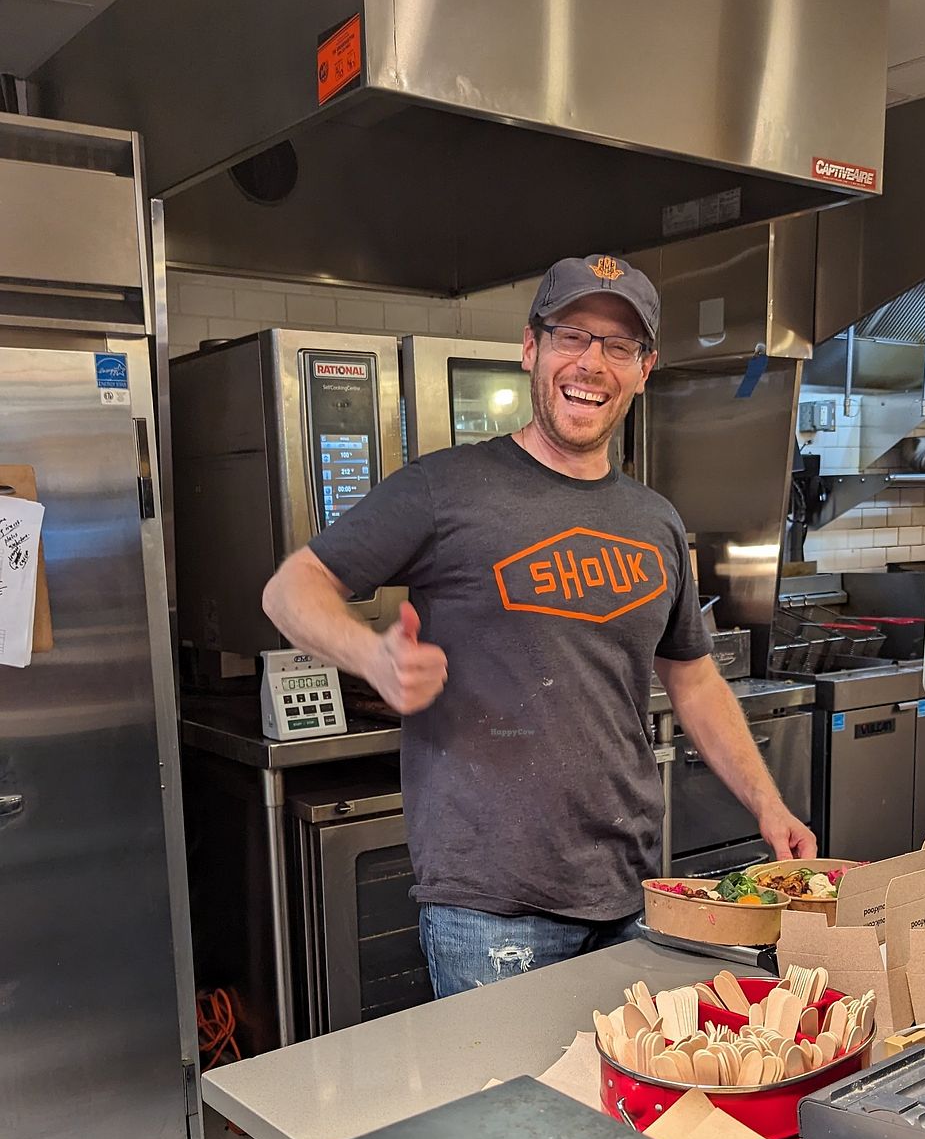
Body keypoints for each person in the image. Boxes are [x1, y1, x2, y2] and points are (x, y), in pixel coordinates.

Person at [263, 253, 815, 997]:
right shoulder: (444, 488)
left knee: (623, 1078)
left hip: (631, 890)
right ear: (531, 348)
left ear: (644, 370)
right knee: (506, 1082)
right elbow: (290, 590)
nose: (592, 363)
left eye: (619, 345)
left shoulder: (655, 520)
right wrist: (371, 655)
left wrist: (768, 805)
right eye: (572, 336)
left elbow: (693, 679)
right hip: (493, 911)